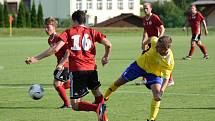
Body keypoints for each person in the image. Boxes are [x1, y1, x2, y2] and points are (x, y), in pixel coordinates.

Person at [25, 10, 111, 121]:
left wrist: (36, 58)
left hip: (78, 69)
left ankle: (97, 108)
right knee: (96, 91)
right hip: (92, 68)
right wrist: (105, 57)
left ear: (74, 20)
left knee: (75, 105)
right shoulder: (92, 31)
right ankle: (103, 117)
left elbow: (55, 49)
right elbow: (108, 44)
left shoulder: (69, 32)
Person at [104, 36, 174, 121]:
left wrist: (161, 91)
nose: (155, 47)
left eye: (158, 47)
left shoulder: (169, 61)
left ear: (164, 49)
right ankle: (104, 98)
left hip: (153, 73)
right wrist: (144, 44)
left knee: (157, 94)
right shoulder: (155, 42)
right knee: (119, 82)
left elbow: (166, 78)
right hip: (138, 66)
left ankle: (152, 119)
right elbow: (153, 38)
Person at [25, 17, 71, 108]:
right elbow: (49, 51)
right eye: (45, 27)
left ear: (54, 27)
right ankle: (78, 85)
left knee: (57, 83)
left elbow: (68, 51)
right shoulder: (50, 39)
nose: (46, 30)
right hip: (61, 64)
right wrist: (35, 58)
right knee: (60, 85)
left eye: (48, 27)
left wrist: (61, 64)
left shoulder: (59, 37)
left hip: (66, 63)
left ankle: (67, 104)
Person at [136, 3, 174, 86]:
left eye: (147, 8)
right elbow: (145, 32)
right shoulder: (144, 19)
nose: (145, 10)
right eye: (144, 9)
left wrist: (159, 40)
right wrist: (143, 42)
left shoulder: (154, 17)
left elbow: (162, 28)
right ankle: (144, 79)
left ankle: (170, 80)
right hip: (150, 42)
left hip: (157, 43)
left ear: (151, 9)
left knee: (161, 60)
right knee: (145, 58)